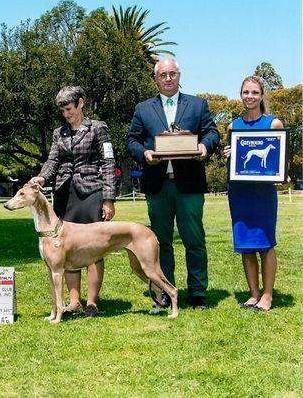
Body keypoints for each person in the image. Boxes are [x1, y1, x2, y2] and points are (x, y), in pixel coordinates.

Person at [126, 58, 219, 310]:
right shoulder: (143, 108)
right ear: (155, 79)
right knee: (160, 242)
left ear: (179, 75)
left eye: (172, 74)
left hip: (189, 185)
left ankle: (198, 292)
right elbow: (132, 140)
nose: (168, 79)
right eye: (163, 75)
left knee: (194, 240)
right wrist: (143, 154)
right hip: (158, 185)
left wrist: (204, 146)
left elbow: (212, 133)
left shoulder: (198, 105)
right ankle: (165, 292)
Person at [29, 86, 116, 317]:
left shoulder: (98, 128)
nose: (66, 114)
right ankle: (74, 301)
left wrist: (108, 199)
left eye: (69, 109)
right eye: (63, 111)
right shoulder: (59, 133)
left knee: (94, 248)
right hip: (64, 194)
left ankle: (92, 302)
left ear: (80, 103)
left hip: (91, 192)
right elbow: (52, 161)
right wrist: (42, 177)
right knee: (65, 249)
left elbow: (108, 163)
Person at [223, 76, 283, 311]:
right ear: (241, 95)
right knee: (245, 243)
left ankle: (267, 295)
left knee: (266, 242)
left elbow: (279, 158)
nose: (250, 96)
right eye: (246, 92)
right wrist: (229, 154)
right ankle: (253, 294)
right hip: (239, 192)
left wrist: (280, 174)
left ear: (261, 96)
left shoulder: (273, 124)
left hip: (263, 194)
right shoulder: (233, 126)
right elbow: (235, 163)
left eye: (255, 92)